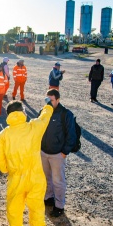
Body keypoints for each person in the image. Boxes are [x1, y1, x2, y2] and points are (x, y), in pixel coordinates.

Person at [0, 99, 54, 226]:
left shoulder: (3, 135)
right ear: (22, 112)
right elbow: (44, 118)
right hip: (35, 175)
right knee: (37, 206)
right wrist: (48, 106)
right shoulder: (33, 127)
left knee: (14, 207)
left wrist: (4, 168)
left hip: (16, 177)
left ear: (8, 115)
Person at [41, 89, 76, 218]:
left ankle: (59, 206)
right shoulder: (43, 112)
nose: (48, 103)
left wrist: (64, 152)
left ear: (58, 100)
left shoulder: (66, 114)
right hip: (44, 153)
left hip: (57, 155)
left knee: (58, 181)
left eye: (51, 100)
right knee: (46, 178)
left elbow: (71, 135)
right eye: (47, 100)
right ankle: (49, 198)